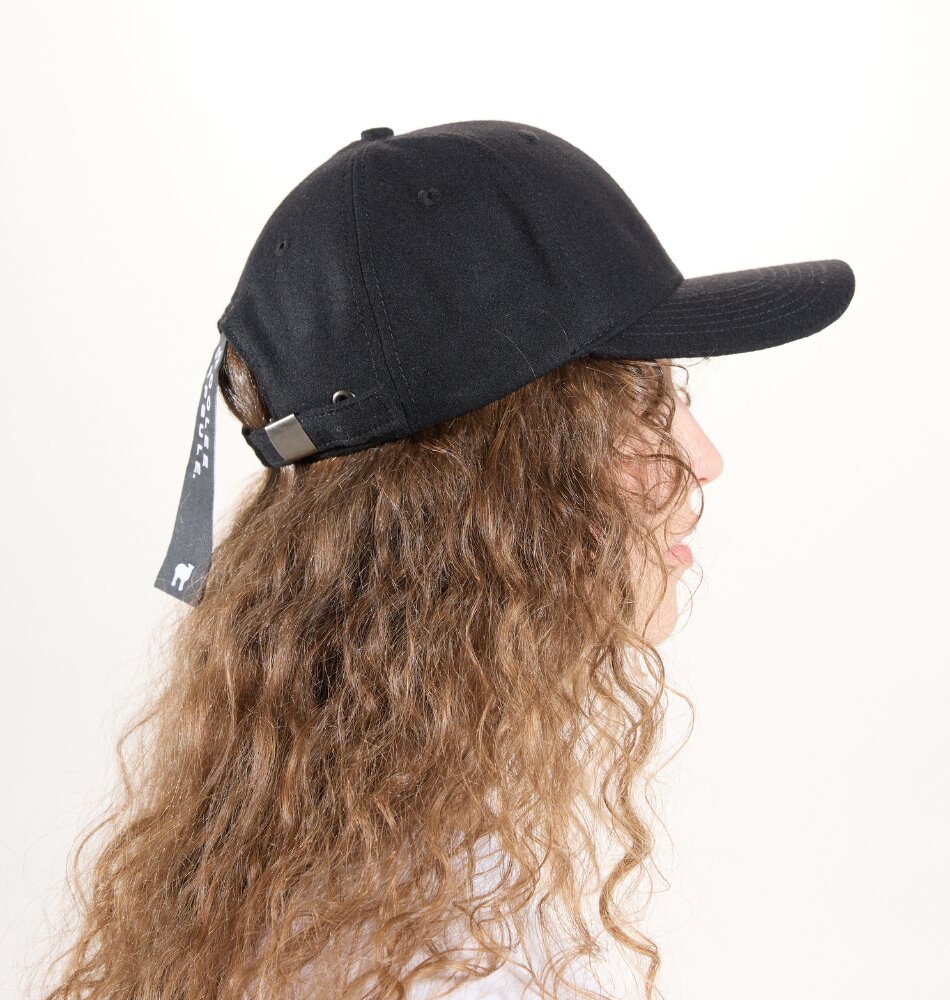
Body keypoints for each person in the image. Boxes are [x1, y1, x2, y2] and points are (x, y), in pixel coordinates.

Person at [41, 120, 853, 1000]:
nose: (704, 458)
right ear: (486, 495)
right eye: (639, 406)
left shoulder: (341, 876)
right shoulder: (448, 956)